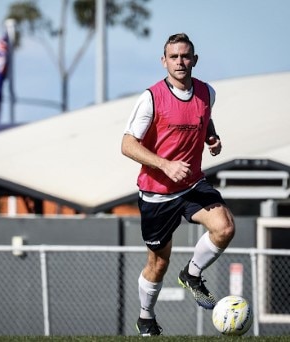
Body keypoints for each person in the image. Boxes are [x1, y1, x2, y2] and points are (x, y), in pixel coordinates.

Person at [121, 33, 235, 336]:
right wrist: (165, 164)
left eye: (185, 56)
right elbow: (127, 145)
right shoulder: (151, 98)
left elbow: (203, 117)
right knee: (158, 264)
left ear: (194, 60)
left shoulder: (206, 93)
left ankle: (192, 274)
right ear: (164, 61)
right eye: (174, 57)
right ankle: (146, 317)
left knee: (224, 227)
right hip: (156, 194)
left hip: (193, 184)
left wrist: (211, 136)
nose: (180, 62)